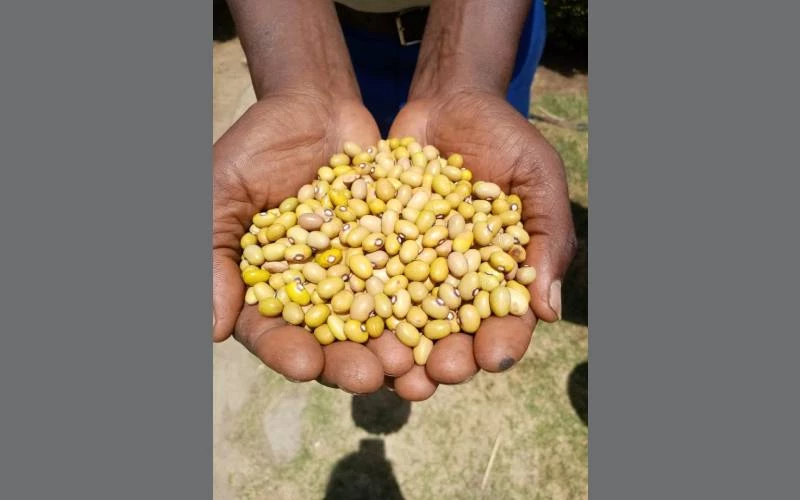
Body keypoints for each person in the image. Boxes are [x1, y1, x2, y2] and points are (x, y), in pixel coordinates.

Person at [213, 0, 577, 401]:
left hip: (487, 32)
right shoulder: (343, 225)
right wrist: (299, 79)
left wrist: (465, 75)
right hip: (327, 30)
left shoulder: (446, 223)